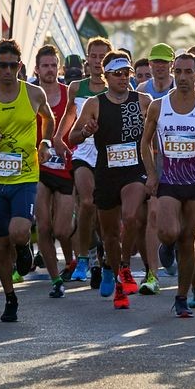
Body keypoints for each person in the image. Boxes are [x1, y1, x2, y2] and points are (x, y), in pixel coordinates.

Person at [0, 40, 55, 323]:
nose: (7, 71)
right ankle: (10, 297)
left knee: (18, 232)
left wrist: (46, 142)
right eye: (1, 65)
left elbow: (49, 120)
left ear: (20, 66)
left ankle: (24, 246)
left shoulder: (33, 93)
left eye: (12, 65)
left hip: (25, 176)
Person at [69, 52, 151, 311]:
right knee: (110, 235)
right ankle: (118, 279)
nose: (123, 78)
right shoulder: (94, 103)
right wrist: (86, 131)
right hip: (106, 171)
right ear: (105, 76)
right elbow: (73, 138)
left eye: (126, 73)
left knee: (131, 217)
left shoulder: (143, 100)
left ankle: (125, 267)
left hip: (134, 170)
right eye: (117, 73)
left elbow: (154, 136)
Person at [141, 52, 195, 318]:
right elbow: (145, 143)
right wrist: (151, 173)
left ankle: (182, 296)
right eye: (180, 72)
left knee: (189, 240)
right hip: (169, 181)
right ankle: (166, 244)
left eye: (189, 72)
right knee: (168, 232)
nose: (184, 77)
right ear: (173, 73)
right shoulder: (158, 106)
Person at [55, 37, 112, 283]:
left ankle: (102, 255)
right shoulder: (77, 87)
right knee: (87, 202)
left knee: (103, 211)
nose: (98, 61)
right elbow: (70, 115)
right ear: (87, 58)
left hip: (109, 153)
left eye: (102, 56)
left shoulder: (119, 87)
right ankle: (83, 257)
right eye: (94, 56)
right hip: (83, 150)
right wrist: (58, 137)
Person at [33, 45, 76, 298]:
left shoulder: (68, 94)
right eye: (44, 66)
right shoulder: (30, 95)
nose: (49, 70)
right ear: (37, 69)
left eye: (53, 65)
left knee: (62, 229)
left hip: (66, 168)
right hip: (38, 169)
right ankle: (55, 278)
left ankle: (71, 257)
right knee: (44, 226)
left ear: (58, 68)